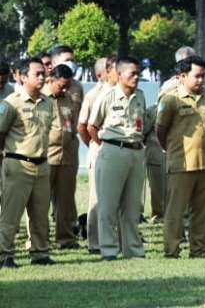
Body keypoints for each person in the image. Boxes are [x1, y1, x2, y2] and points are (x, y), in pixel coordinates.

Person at [87, 57, 149, 260]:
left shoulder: (140, 95)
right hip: (113, 151)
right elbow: (91, 127)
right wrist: (107, 145)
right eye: (132, 73)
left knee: (132, 206)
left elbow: (143, 124)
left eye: (138, 73)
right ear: (120, 74)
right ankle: (109, 249)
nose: (137, 77)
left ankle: (133, 249)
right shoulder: (107, 96)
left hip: (136, 152)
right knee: (108, 205)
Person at [157, 56, 205, 258]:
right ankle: (172, 250)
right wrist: (172, 150)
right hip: (181, 163)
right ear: (182, 76)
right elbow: (160, 130)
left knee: (202, 212)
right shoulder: (171, 99)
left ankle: (200, 250)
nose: (201, 80)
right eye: (197, 76)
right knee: (175, 212)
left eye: (203, 76)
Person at [0, 58, 54, 268]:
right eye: (36, 74)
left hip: (42, 164)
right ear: (22, 77)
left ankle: (40, 252)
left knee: (40, 214)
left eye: (43, 73)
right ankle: (5, 254)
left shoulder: (48, 102)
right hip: (17, 164)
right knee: (11, 214)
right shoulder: (11, 103)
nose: (42, 77)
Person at [77, 56, 115, 254]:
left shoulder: (120, 93)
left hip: (117, 152)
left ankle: (113, 239)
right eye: (116, 69)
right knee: (97, 198)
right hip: (99, 150)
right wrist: (95, 145)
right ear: (106, 72)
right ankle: (94, 242)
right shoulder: (94, 95)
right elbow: (83, 126)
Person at [44, 63, 80, 249]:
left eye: (67, 85)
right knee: (40, 202)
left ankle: (65, 238)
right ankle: (38, 240)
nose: (65, 88)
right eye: (61, 85)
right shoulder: (41, 99)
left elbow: (72, 126)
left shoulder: (69, 100)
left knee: (65, 200)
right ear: (50, 80)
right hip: (46, 157)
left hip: (67, 157)